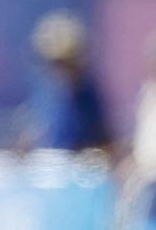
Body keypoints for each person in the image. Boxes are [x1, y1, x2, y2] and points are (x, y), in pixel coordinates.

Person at [15, 10, 111, 155]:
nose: (60, 70)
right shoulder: (46, 93)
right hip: (49, 170)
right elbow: (34, 133)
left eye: (65, 62)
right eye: (55, 63)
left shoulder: (87, 97)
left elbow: (104, 141)